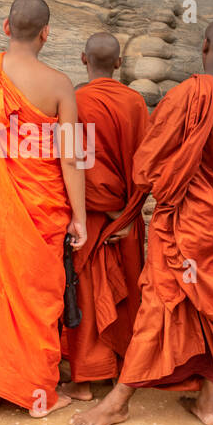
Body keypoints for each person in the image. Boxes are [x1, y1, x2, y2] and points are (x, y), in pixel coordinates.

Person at [71, 16, 213, 425]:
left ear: (204, 46)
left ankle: (119, 400)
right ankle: (207, 403)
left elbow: (147, 167)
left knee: (160, 302)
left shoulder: (188, 95)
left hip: (187, 220)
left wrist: (138, 197)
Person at [0, 0, 87, 418]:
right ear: (47, 34)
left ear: (6, 28)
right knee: (35, 293)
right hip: (42, 204)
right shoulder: (60, 84)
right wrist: (79, 215)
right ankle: (39, 396)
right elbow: (71, 157)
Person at [59, 32, 148, 401]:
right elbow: (146, 164)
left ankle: (83, 379)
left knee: (85, 289)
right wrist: (128, 214)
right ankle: (121, 372)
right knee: (126, 289)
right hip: (125, 218)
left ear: (82, 59)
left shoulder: (74, 102)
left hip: (89, 216)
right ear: (119, 64)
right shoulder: (136, 103)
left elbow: (71, 164)